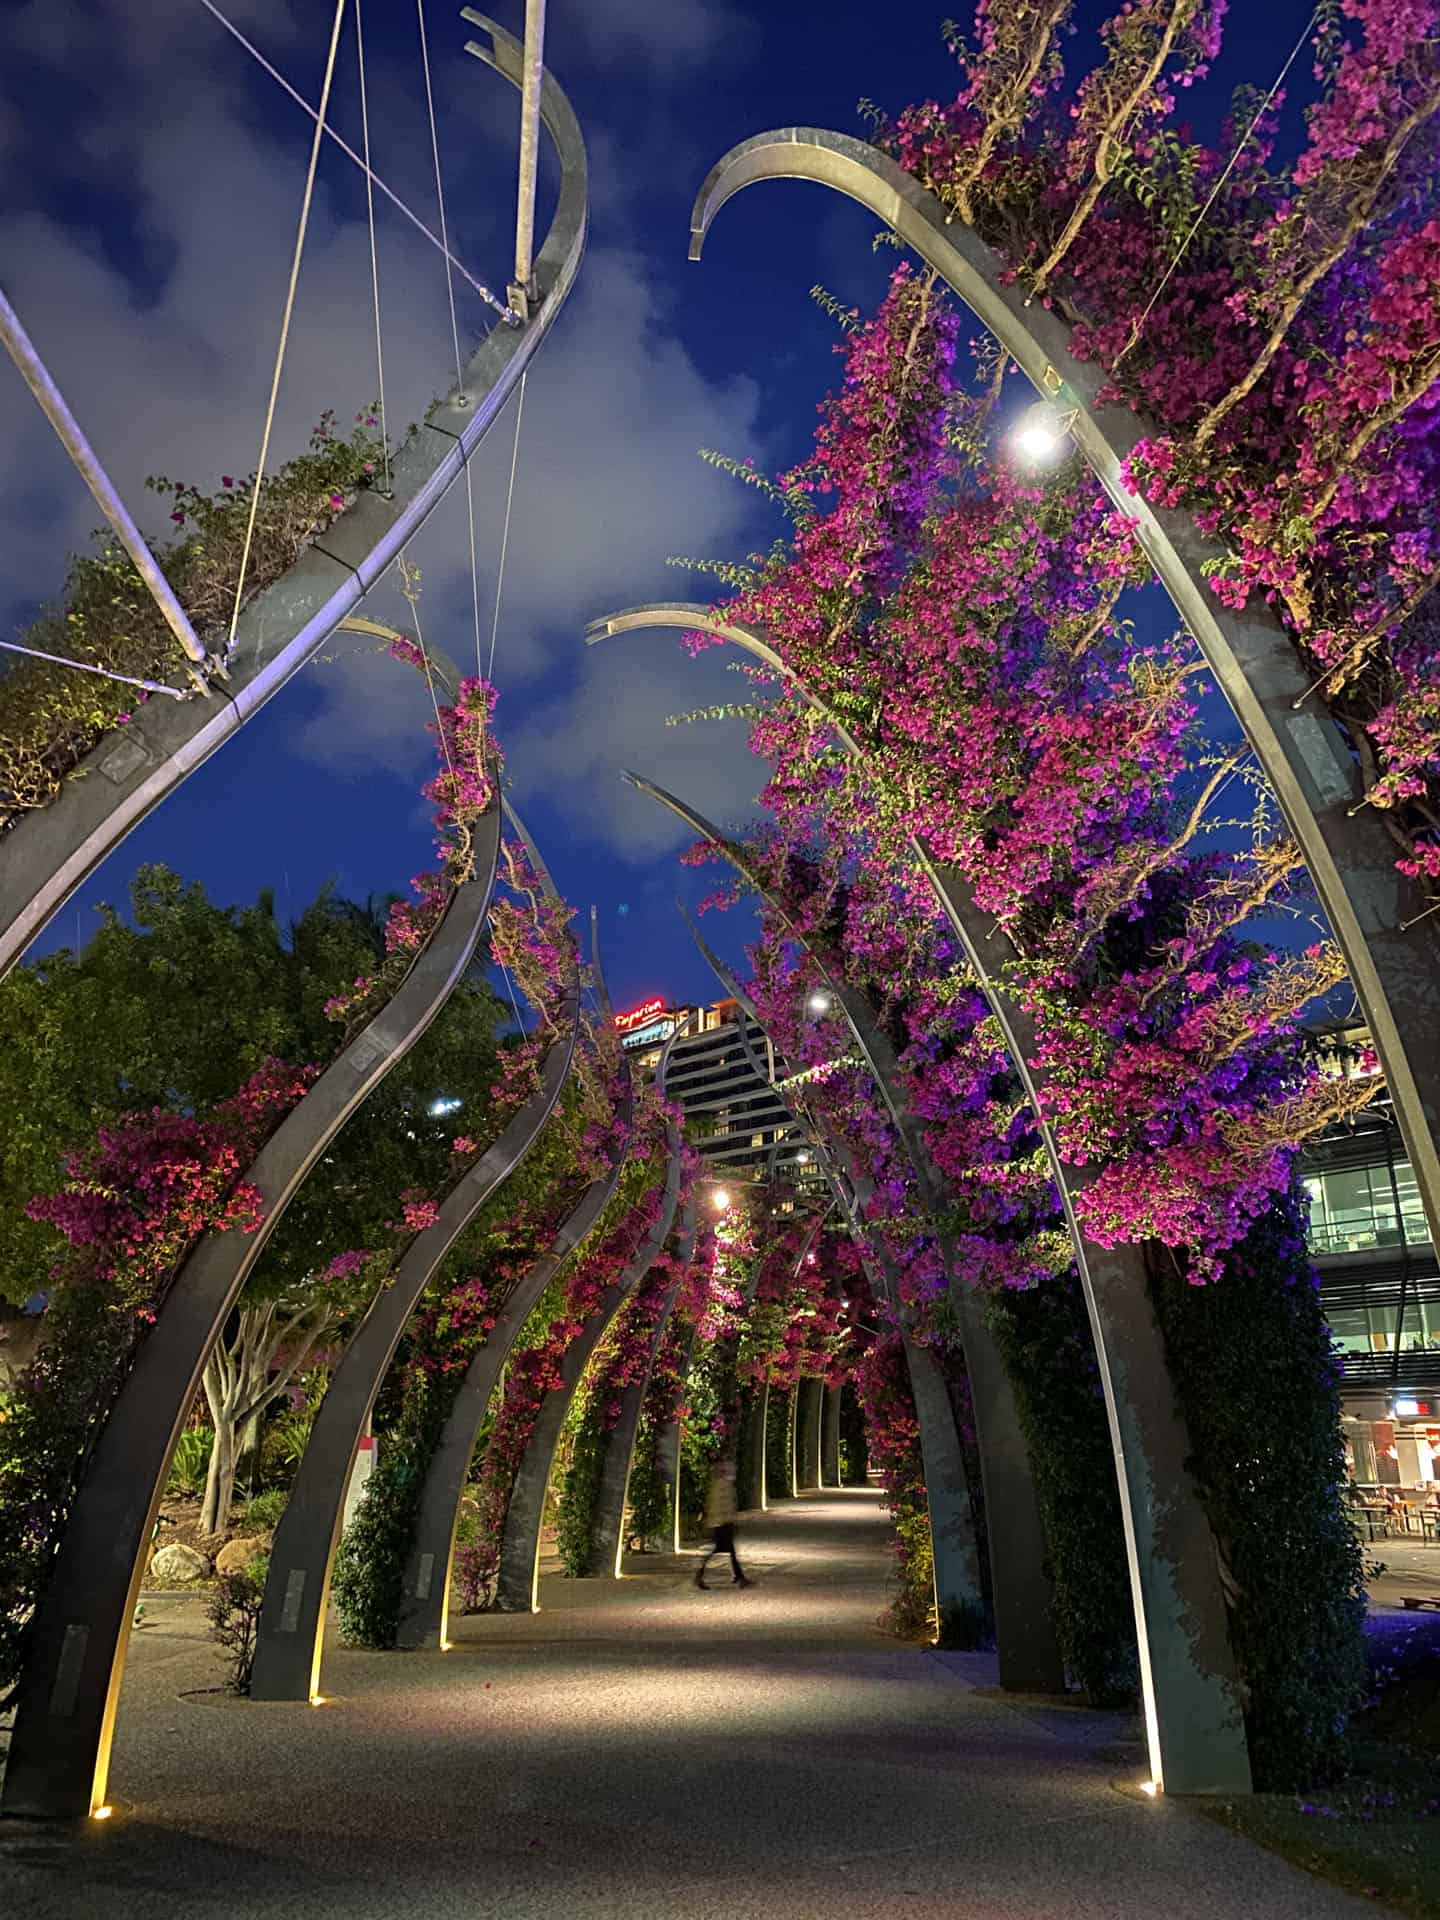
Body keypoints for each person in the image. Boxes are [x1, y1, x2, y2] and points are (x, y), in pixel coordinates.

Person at [695, 1454, 752, 1590]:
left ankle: (739, 1577)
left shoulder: (718, 1483)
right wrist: (729, 1519)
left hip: (721, 1523)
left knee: (726, 1551)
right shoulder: (721, 1484)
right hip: (722, 1524)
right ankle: (700, 1575)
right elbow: (723, 1505)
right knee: (723, 1550)